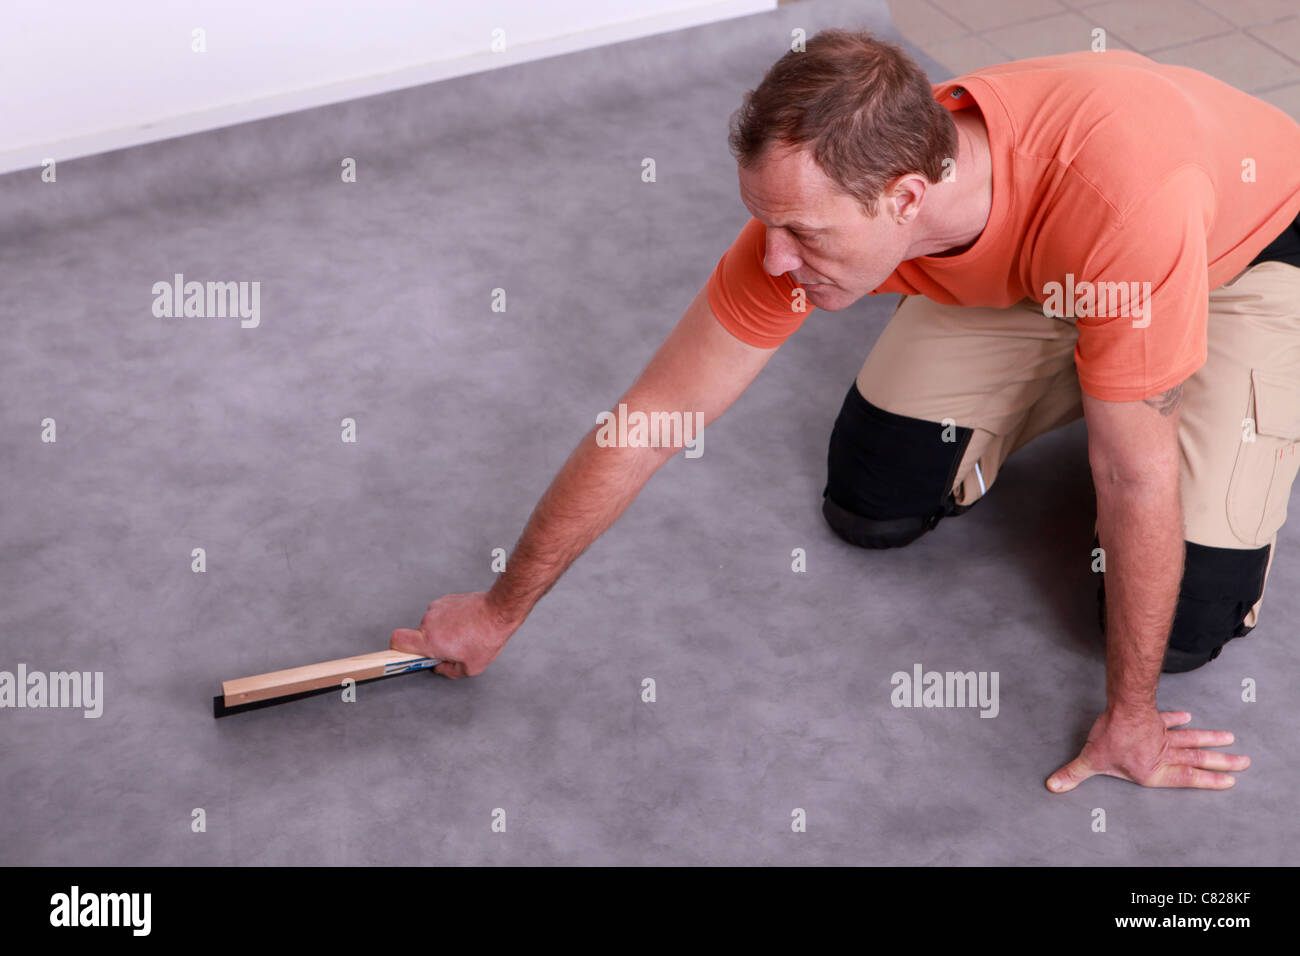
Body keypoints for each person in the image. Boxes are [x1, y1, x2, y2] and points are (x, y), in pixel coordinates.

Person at [393, 29, 1300, 792]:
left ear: (906, 196)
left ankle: (1135, 371)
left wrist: (1129, 719)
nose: (775, 261)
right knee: (872, 501)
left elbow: (1130, 475)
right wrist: (501, 607)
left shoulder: (1121, 199)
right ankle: (1113, 365)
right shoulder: (829, 201)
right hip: (1058, 272)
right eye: (768, 225)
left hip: (1239, 260)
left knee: (1179, 625)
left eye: (805, 236)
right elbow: (652, 418)